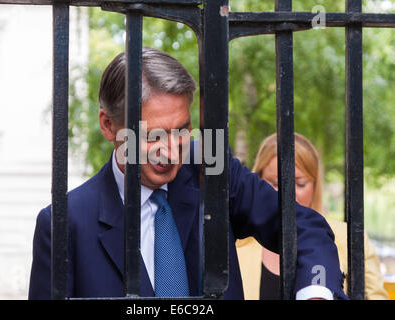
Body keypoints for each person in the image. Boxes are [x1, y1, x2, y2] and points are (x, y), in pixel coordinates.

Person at [28, 47, 347, 300]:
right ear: (109, 125)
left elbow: (305, 228)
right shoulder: (63, 226)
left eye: (181, 131)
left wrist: (315, 293)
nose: (170, 150)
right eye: (152, 135)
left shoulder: (212, 170)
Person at [236, 133, 388, 300]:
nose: (287, 193)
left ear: (315, 186)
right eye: (274, 183)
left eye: (300, 183)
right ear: (257, 182)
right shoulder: (236, 243)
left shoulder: (349, 238)